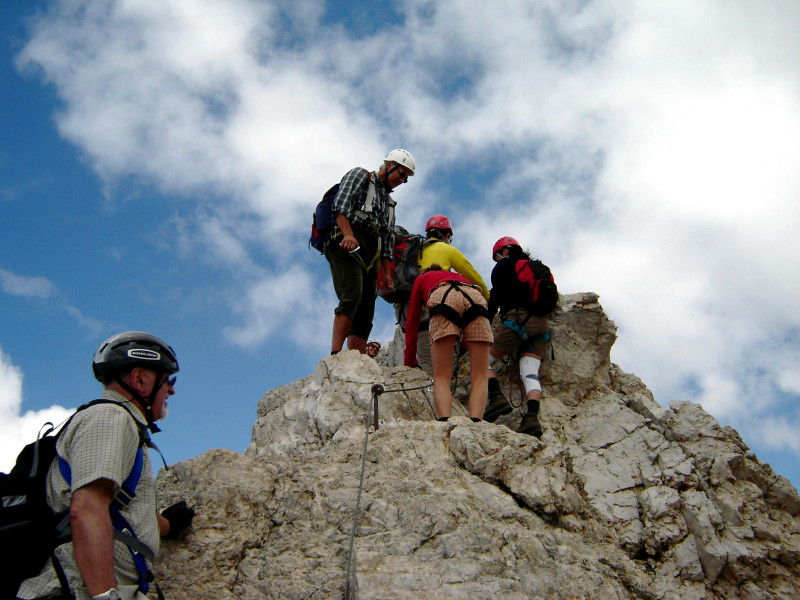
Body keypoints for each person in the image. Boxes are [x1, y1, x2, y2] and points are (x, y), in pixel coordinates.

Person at [17, 332, 196, 600]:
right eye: (167, 380)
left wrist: (166, 525)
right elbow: (87, 508)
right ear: (139, 379)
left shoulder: (122, 426)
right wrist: (104, 595)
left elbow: (117, 511)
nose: (171, 389)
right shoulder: (111, 417)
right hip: (76, 592)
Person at [327, 149, 416, 355]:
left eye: (405, 178)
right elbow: (340, 206)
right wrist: (348, 235)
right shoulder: (361, 176)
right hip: (346, 239)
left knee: (367, 307)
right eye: (401, 174)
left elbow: (386, 240)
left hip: (371, 252)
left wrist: (387, 274)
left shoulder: (390, 203)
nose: (401, 180)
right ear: (389, 165)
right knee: (352, 296)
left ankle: (357, 358)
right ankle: (335, 355)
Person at [397, 214, 489, 375]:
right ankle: (438, 396)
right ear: (447, 235)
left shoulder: (413, 250)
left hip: (403, 310)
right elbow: (476, 280)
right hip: (430, 306)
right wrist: (487, 299)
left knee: (424, 357)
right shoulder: (447, 249)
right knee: (434, 367)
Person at [484, 237, 553, 437]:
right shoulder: (540, 268)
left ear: (505, 251)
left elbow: (495, 299)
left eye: (497, 256)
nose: (497, 260)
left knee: (481, 359)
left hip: (517, 320)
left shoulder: (505, 266)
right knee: (530, 373)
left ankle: (496, 397)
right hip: (542, 325)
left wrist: (484, 324)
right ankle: (531, 418)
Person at [404, 266, 492, 421]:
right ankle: (476, 422)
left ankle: (445, 421)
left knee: (441, 376)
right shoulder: (455, 274)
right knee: (480, 376)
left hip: (443, 295)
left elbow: (412, 320)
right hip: (475, 296)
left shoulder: (422, 278)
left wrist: (410, 359)